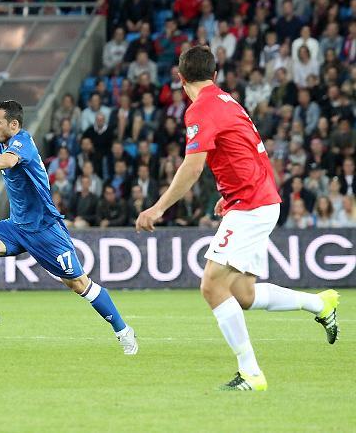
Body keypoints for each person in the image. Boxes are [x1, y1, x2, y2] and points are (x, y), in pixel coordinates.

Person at [135, 46, 339, 391]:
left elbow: (192, 167)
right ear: (214, 75)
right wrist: (229, 191)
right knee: (243, 293)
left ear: (180, 78)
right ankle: (320, 303)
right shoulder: (227, 101)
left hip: (251, 205)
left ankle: (251, 373)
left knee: (212, 286)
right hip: (257, 198)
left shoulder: (201, 109)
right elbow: (247, 150)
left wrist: (158, 208)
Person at [0, 100, 137, 353]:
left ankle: (123, 330)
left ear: (14, 124)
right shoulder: (3, 142)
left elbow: (7, 162)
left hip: (45, 230)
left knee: (79, 285)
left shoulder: (22, 142)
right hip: (17, 226)